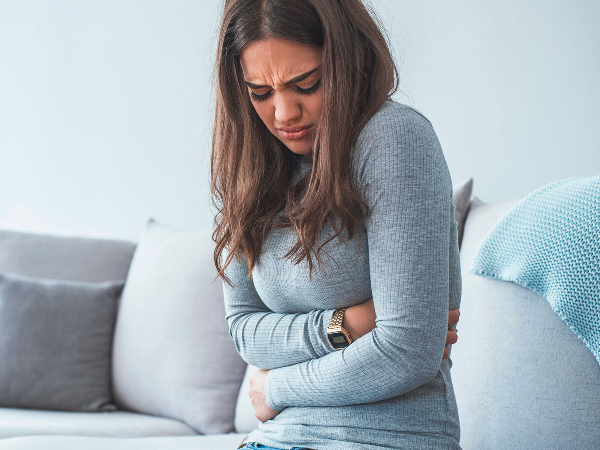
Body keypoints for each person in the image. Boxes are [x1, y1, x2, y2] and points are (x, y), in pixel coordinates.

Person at [211, 0, 461, 449]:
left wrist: (275, 388)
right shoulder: (250, 168)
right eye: (260, 93)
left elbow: (406, 352)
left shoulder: (392, 138)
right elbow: (245, 332)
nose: (284, 113)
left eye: (306, 84)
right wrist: (346, 324)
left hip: (383, 439)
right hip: (273, 438)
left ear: (347, 60)